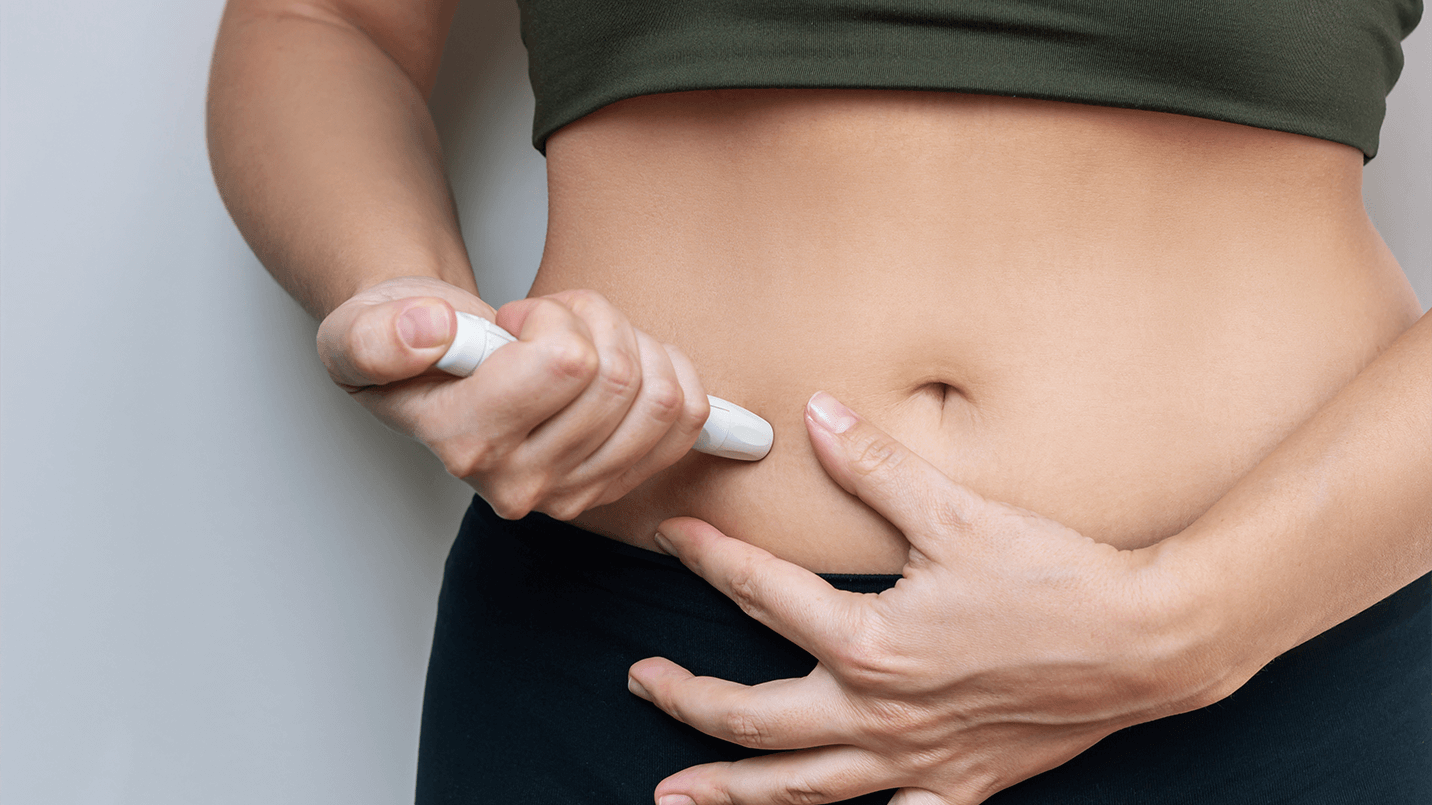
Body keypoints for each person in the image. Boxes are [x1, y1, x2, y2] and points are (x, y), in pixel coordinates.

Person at [207, 0, 1431, 802]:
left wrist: (1183, 626)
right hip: (637, 664)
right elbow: (327, 21)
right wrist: (410, 302)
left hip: (1279, 659)